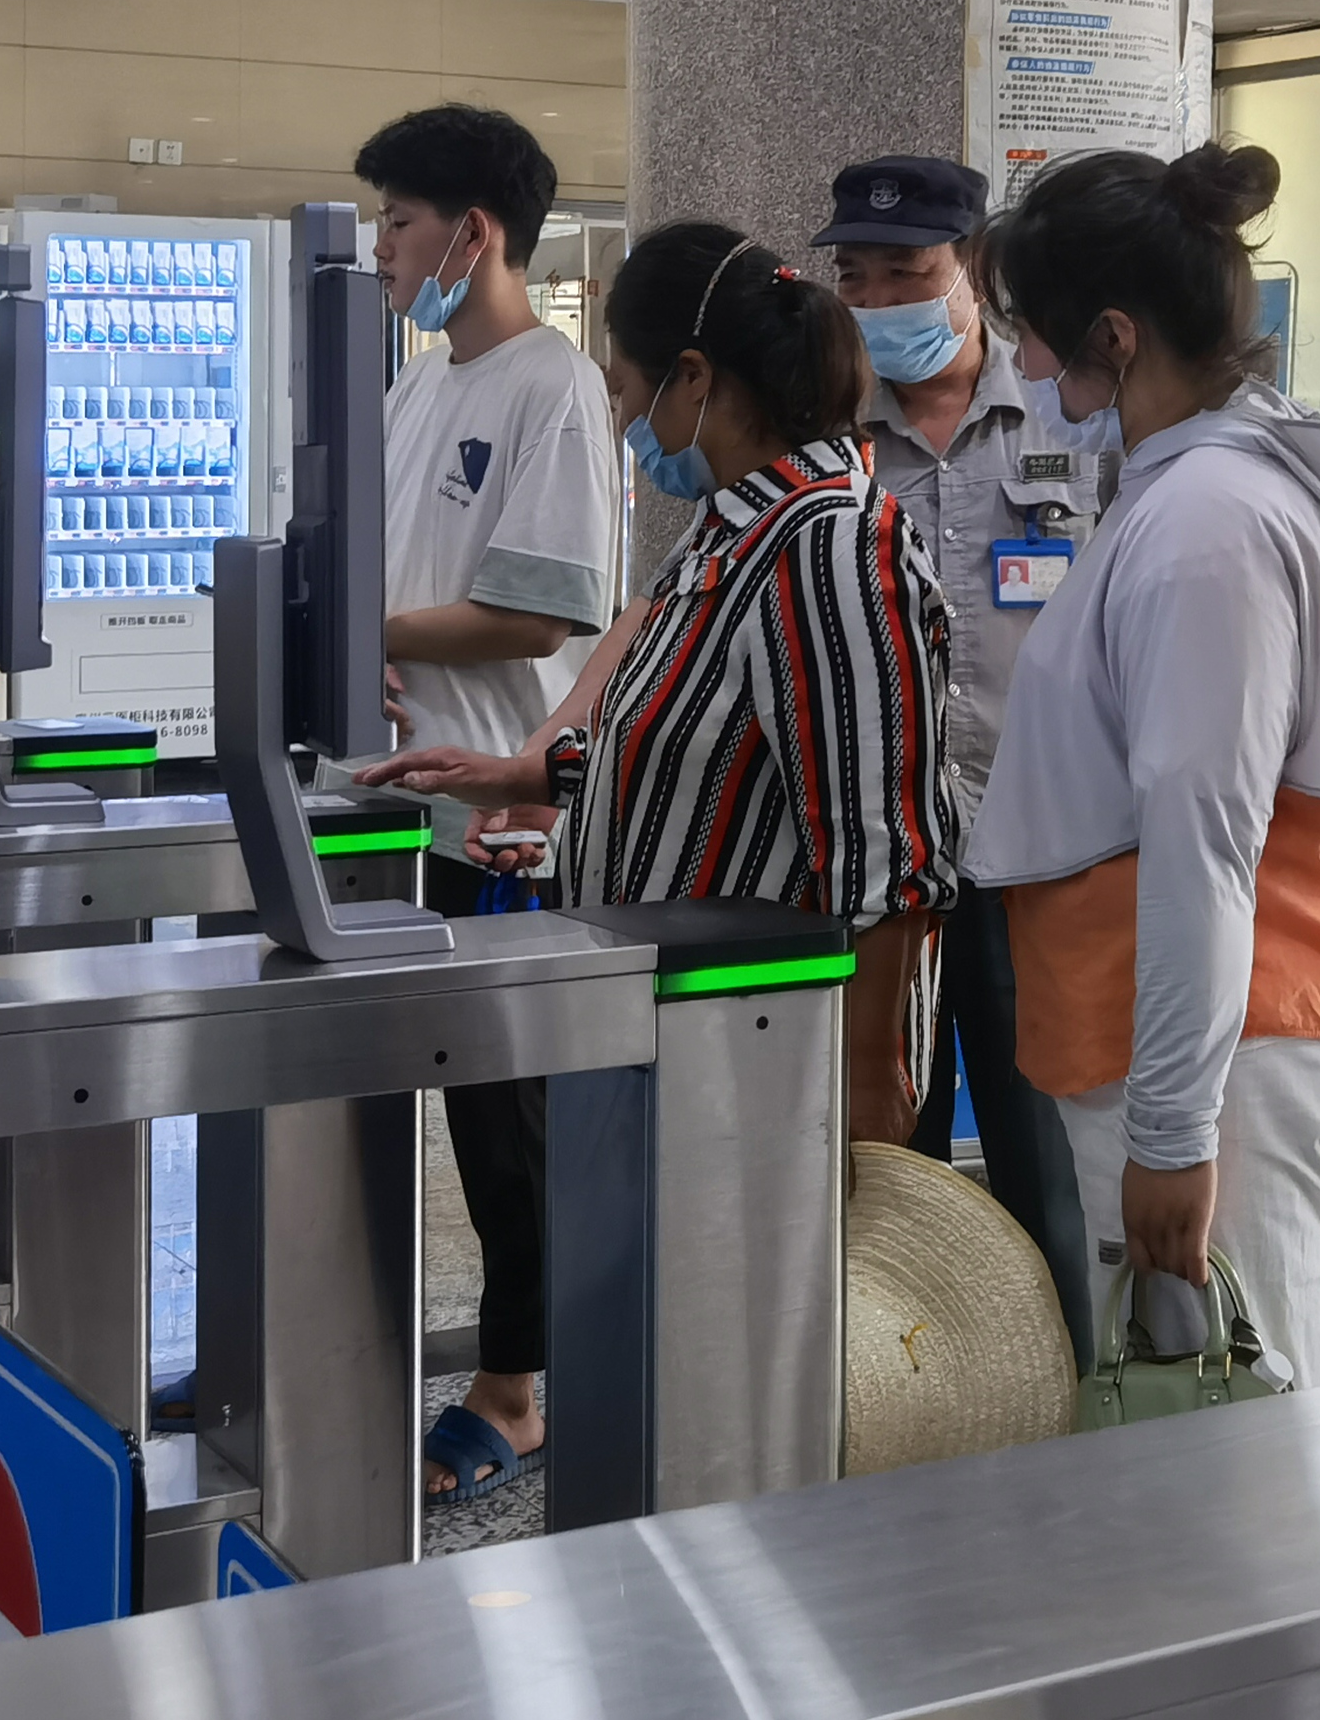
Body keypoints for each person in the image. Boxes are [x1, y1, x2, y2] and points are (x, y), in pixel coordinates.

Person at [967, 143, 1320, 1393]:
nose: (1024, 370)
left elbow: (1203, 835)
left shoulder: (1203, 522)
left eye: (1035, 336)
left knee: (1237, 1436)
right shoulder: (1224, 487)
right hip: (1232, 1036)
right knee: (1218, 1429)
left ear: (1115, 337)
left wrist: (1174, 1133)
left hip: (1232, 1061)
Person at [363, 219, 959, 1157]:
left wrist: (868, 1088)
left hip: (771, 1060)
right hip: (677, 1038)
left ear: (693, 378)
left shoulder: (828, 543)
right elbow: (697, 732)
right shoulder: (731, 529)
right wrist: (525, 778)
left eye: (624, 390)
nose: (622, 418)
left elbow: (884, 849)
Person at [351, 103, 619, 1507]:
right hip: (412, 797)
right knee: (461, 1108)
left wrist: (367, 630)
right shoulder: (420, 385)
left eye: (398, 220)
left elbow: (537, 613)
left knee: (508, 1124)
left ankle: (515, 1392)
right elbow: (405, 584)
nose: (381, 248)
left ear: (475, 231)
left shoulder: (549, 386)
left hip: (507, 811)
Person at [816, 152, 1098, 1356]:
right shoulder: (827, 429)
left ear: (972, 267)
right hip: (884, 863)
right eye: (857, 276)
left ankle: (1062, 1384)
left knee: (1049, 1156)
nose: (881, 299)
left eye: (908, 271)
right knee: (889, 1160)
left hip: (1041, 852)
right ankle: (912, 1395)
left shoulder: (1069, 414)